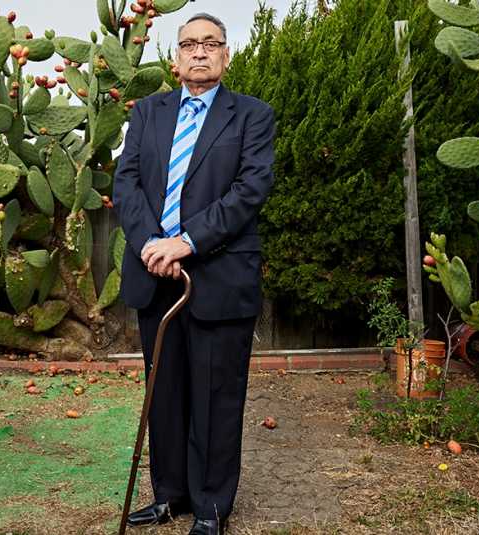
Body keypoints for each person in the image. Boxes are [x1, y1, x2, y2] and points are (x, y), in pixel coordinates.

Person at [112, 11, 276, 535]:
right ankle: (170, 495)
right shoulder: (148, 114)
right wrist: (150, 244)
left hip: (218, 276)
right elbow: (126, 182)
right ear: (176, 57)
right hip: (154, 272)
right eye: (188, 44)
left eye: (210, 43)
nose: (199, 51)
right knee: (164, 392)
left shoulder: (252, 115)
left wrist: (185, 242)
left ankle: (210, 508)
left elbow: (250, 190)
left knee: (215, 397)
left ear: (226, 53)